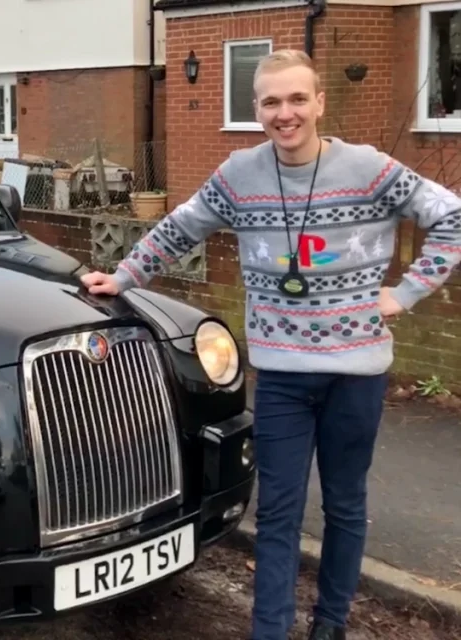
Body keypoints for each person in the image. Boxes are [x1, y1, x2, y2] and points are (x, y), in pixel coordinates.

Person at [81, 49, 461, 640]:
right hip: (282, 376)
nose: (286, 114)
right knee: (279, 512)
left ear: (319, 102)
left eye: (297, 99)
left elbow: (453, 218)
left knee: (344, 506)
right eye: (271, 102)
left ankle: (330, 624)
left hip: (355, 375)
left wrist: (405, 294)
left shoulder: (369, 168)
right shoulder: (240, 174)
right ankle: (270, 630)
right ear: (257, 108)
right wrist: (124, 276)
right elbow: (181, 225)